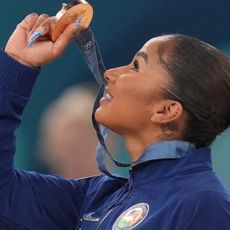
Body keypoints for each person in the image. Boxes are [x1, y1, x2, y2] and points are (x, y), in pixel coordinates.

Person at [0, 12, 230, 230]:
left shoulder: (204, 205)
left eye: (136, 66)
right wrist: (18, 63)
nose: (110, 73)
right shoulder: (96, 198)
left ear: (166, 110)